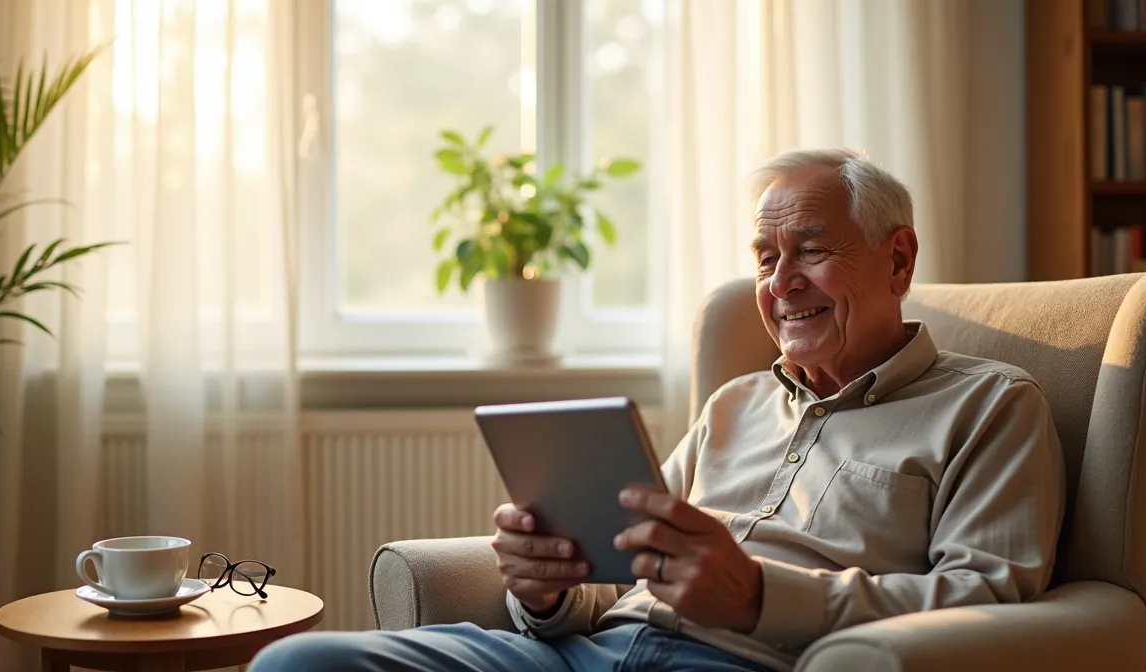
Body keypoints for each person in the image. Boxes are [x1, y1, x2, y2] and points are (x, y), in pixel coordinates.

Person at [249, 148, 1066, 672]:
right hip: (581, 654)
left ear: (898, 259)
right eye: (765, 257)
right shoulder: (734, 403)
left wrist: (756, 596)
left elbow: (984, 602)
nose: (781, 283)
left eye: (811, 250)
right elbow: (623, 574)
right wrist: (549, 590)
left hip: (748, 664)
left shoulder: (991, 406)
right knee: (299, 666)